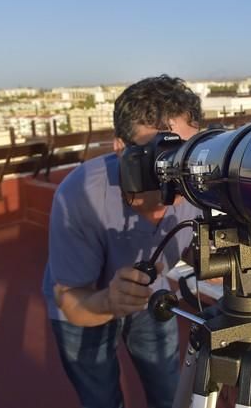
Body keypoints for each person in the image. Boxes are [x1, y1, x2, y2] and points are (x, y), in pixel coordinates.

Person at [42, 75, 203, 408]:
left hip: (151, 295)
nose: (174, 171)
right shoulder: (80, 195)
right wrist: (110, 302)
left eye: (184, 152)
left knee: (170, 392)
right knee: (101, 397)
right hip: (86, 298)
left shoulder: (198, 183)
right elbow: (70, 299)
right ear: (120, 148)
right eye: (160, 154)